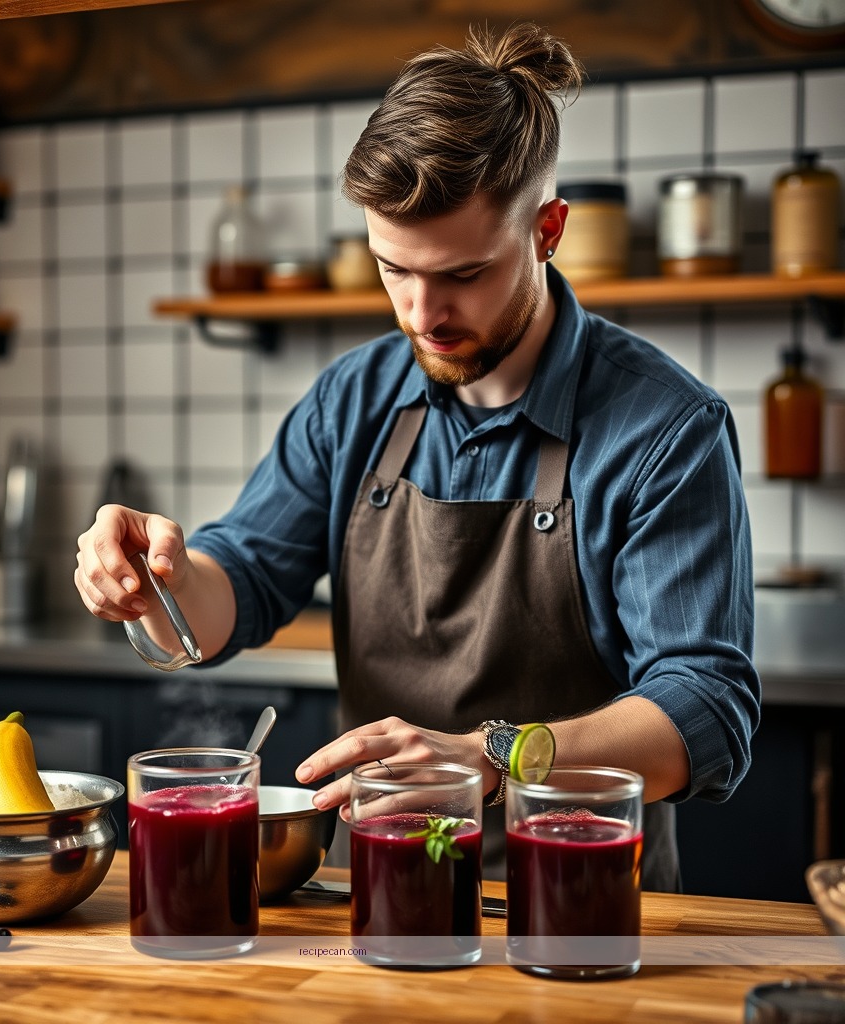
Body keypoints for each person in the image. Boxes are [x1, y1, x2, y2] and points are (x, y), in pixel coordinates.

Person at [74, 22, 759, 891]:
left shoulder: (664, 428)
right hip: (379, 893)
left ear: (547, 230)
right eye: (393, 269)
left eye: (464, 275)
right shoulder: (352, 399)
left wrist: (494, 758)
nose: (421, 313)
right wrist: (157, 577)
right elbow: (240, 578)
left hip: (574, 898)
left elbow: (706, 708)